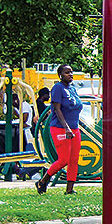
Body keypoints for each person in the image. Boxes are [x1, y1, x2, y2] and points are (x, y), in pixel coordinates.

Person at [35, 65, 84, 195]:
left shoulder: (72, 88)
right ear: (60, 75)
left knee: (74, 160)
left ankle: (69, 189)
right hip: (60, 128)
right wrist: (66, 127)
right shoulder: (58, 88)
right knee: (64, 160)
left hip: (74, 128)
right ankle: (43, 181)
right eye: (67, 72)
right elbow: (57, 109)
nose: (70, 74)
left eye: (71, 72)